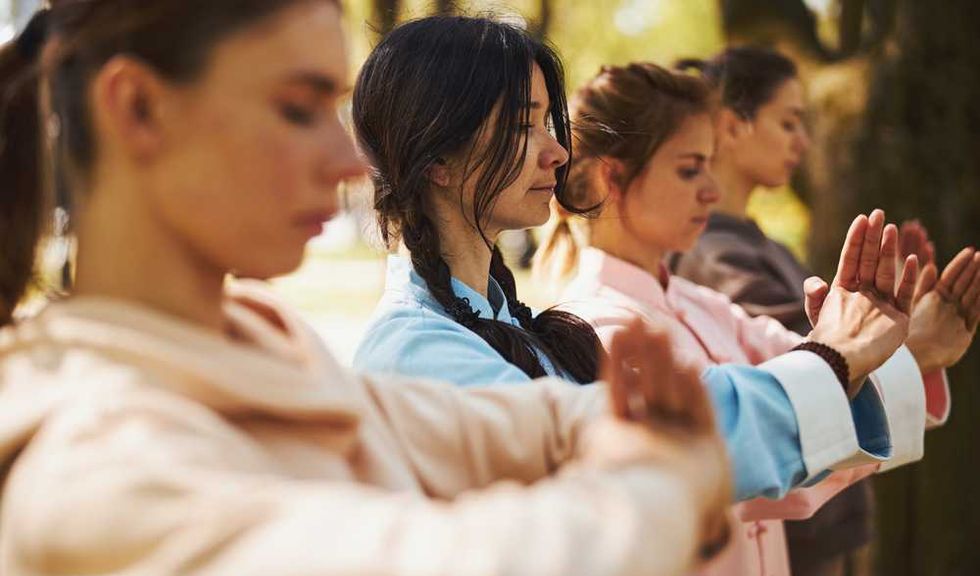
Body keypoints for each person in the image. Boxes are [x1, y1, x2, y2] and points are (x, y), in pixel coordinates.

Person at [0, 3, 743, 576]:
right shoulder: (92, 478)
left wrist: (659, 429)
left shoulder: (262, 353)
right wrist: (669, 478)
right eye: (297, 108)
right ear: (137, 109)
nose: (350, 160)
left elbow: (517, 421)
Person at [352, 15, 928, 509]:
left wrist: (852, 354)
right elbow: (639, 454)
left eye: (547, 123)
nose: (556, 152)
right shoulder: (417, 353)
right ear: (437, 160)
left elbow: (705, 424)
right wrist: (834, 356)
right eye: (521, 126)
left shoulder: (505, 323)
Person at [537, 60, 975, 576]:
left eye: (710, 168)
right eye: (691, 170)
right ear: (614, 179)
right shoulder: (595, 323)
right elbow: (762, 434)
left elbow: (806, 381)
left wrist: (894, 347)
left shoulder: (703, 304)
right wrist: (895, 348)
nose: (713, 192)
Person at [670, 46, 979, 576]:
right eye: (788, 121)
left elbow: (835, 347)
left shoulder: (765, 248)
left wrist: (896, 327)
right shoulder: (709, 254)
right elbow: (798, 357)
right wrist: (904, 340)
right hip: (788, 516)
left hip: (824, 510)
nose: (804, 143)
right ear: (733, 125)